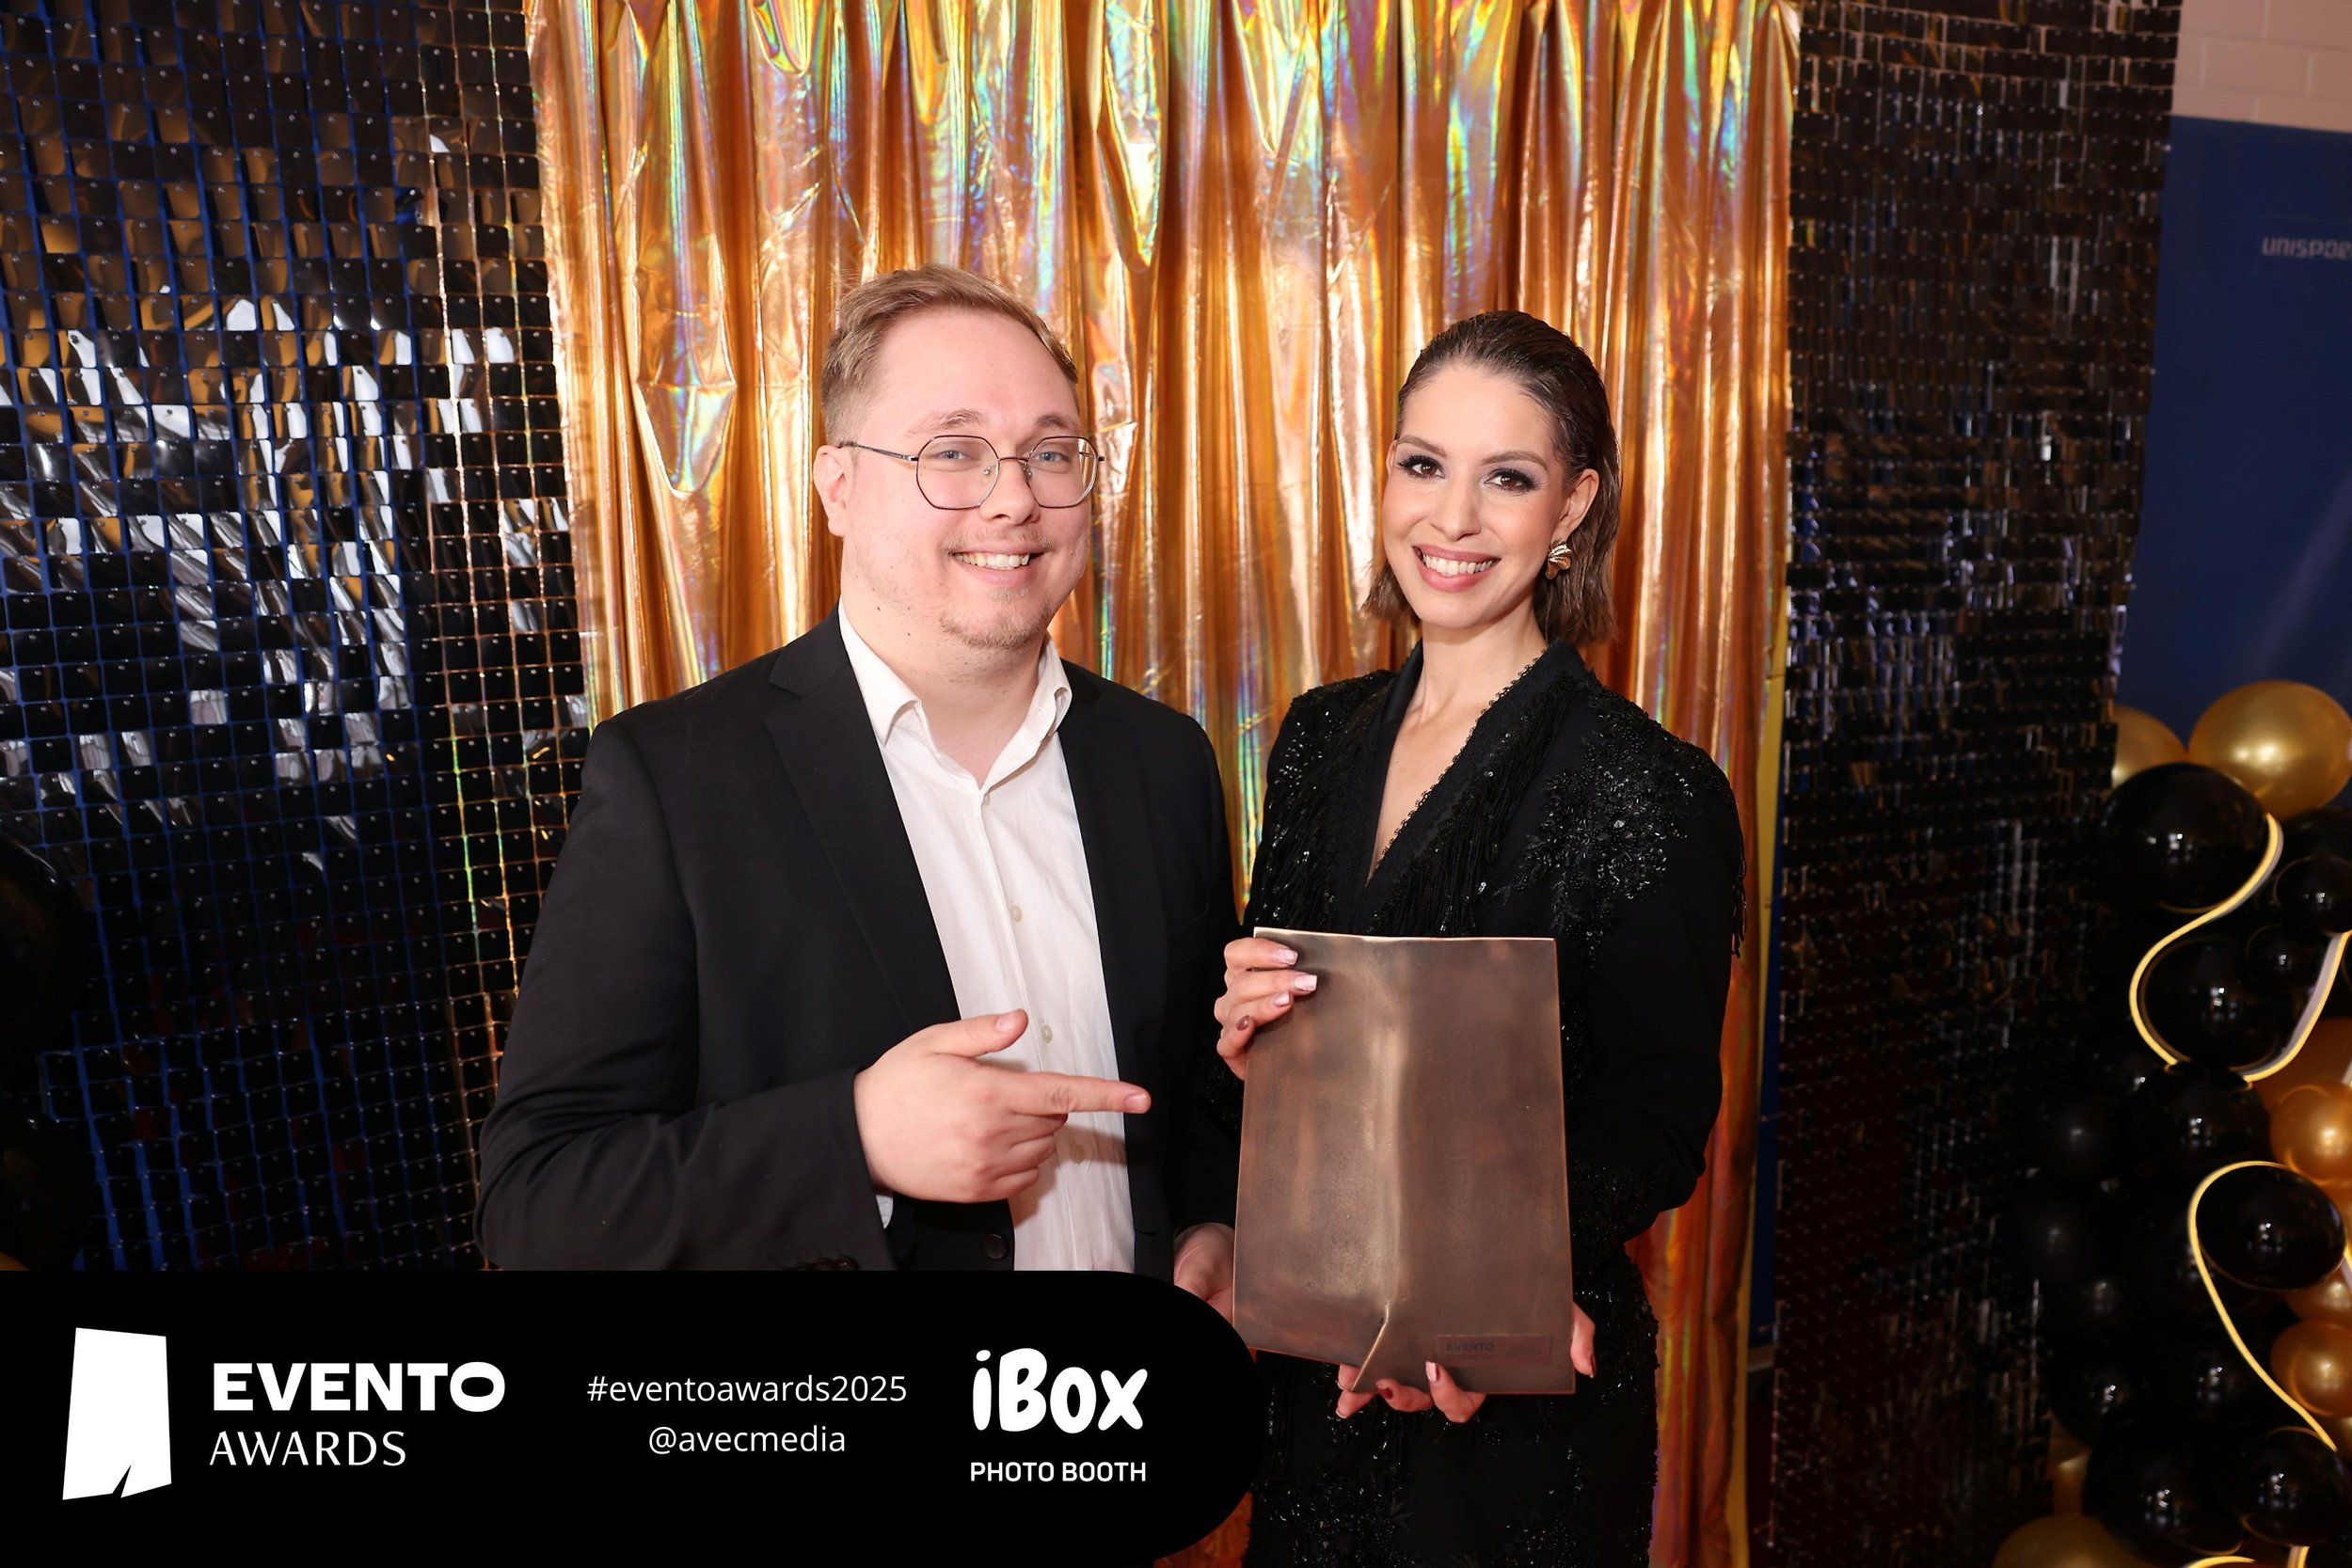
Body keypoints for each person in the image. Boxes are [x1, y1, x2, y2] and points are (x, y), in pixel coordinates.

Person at [476, 264, 1238, 1300]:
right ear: (839, 487)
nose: (1014, 498)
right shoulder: (678, 779)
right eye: (953, 452)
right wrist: (856, 1138)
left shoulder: (1162, 761)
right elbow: (539, 1197)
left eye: (1050, 452)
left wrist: (1205, 1226)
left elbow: (1189, 1092)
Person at [1213, 311, 1741, 1564]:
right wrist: (1244, 1029)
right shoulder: (1317, 734)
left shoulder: (1647, 784)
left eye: (1506, 477)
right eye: (1421, 463)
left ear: (1572, 507)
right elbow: (1294, 1042)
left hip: (1512, 1382)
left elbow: (1663, 1117)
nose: (1449, 519)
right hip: (1319, 1357)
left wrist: (1472, 1292)